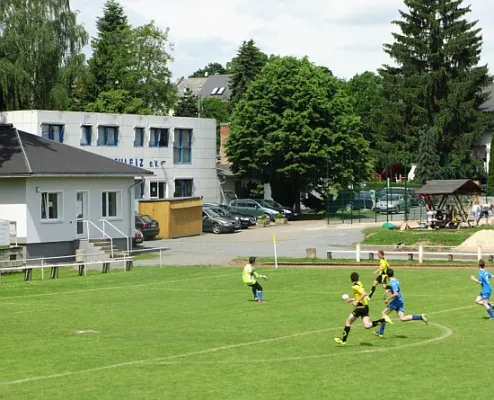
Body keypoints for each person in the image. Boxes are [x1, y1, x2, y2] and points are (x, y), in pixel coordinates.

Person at [334, 272, 392, 345]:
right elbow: (359, 295)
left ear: (351, 279)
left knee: (348, 321)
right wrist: (352, 300)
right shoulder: (359, 283)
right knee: (367, 325)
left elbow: (364, 293)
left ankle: (343, 340)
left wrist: (356, 301)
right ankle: (383, 320)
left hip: (360, 308)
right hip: (365, 307)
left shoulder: (355, 286)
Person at [374, 268, 428, 337]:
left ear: (387, 276)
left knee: (383, 313)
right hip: (400, 300)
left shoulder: (392, 283)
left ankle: (380, 333)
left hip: (396, 301)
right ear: (393, 274)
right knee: (402, 318)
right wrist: (389, 290)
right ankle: (420, 317)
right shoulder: (396, 280)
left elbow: (396, 293)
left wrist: (388, 298)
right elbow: (397, 289)